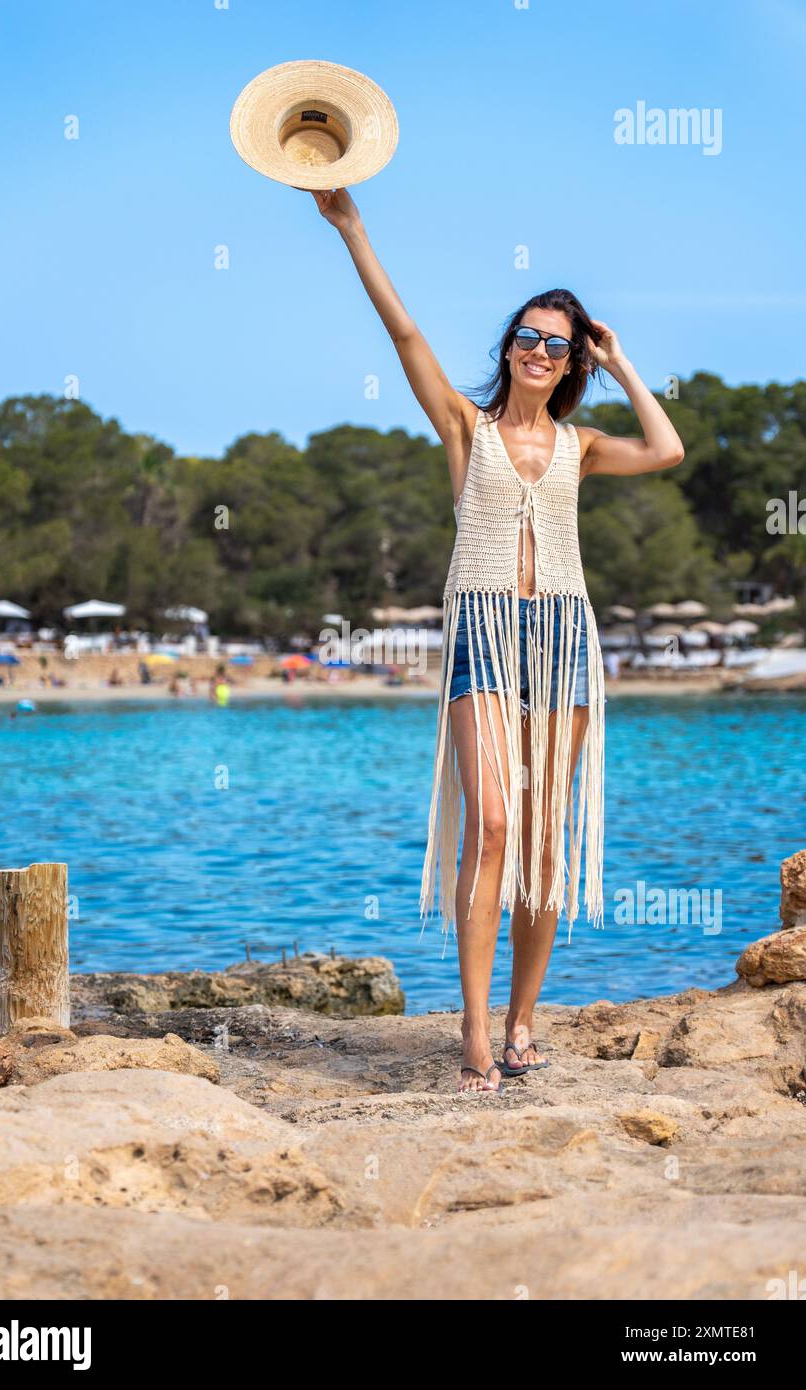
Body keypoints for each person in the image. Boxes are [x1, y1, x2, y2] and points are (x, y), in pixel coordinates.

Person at [313, 188, 685, 1093]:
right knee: (489, 826)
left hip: (563, 638)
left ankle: (526, 1016)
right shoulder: (465, 429)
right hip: (484, 631)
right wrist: (352, 228)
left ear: (570, 365)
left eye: (558, 344)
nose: (538, 351)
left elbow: (668, 449)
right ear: (509, 348)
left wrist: (622, 362)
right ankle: (477, 1030)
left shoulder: (582, 445)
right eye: (527, 336)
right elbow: (405, 339)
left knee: (545, 841)